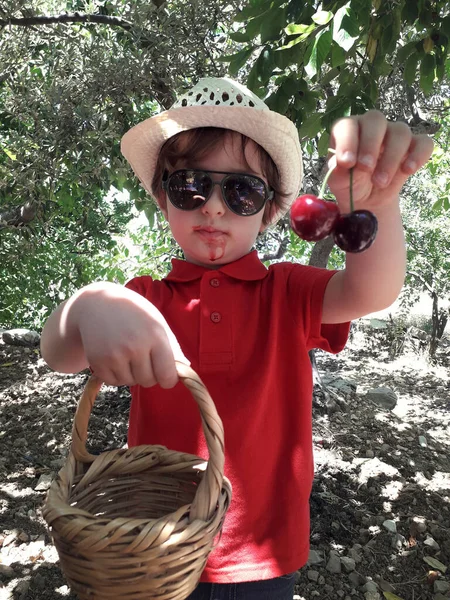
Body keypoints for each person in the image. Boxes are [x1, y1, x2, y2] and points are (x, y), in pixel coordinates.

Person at [40, 77, 433, 600]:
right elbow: (58, 354)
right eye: (189, 186)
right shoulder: (142, 300)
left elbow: (372, 291)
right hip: (151, 548)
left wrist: (378, 204)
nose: (213, 207)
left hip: (263, 555)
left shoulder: (288, 292)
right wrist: (91, 303)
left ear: (270, 209)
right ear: (163, 197)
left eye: (242, 190)